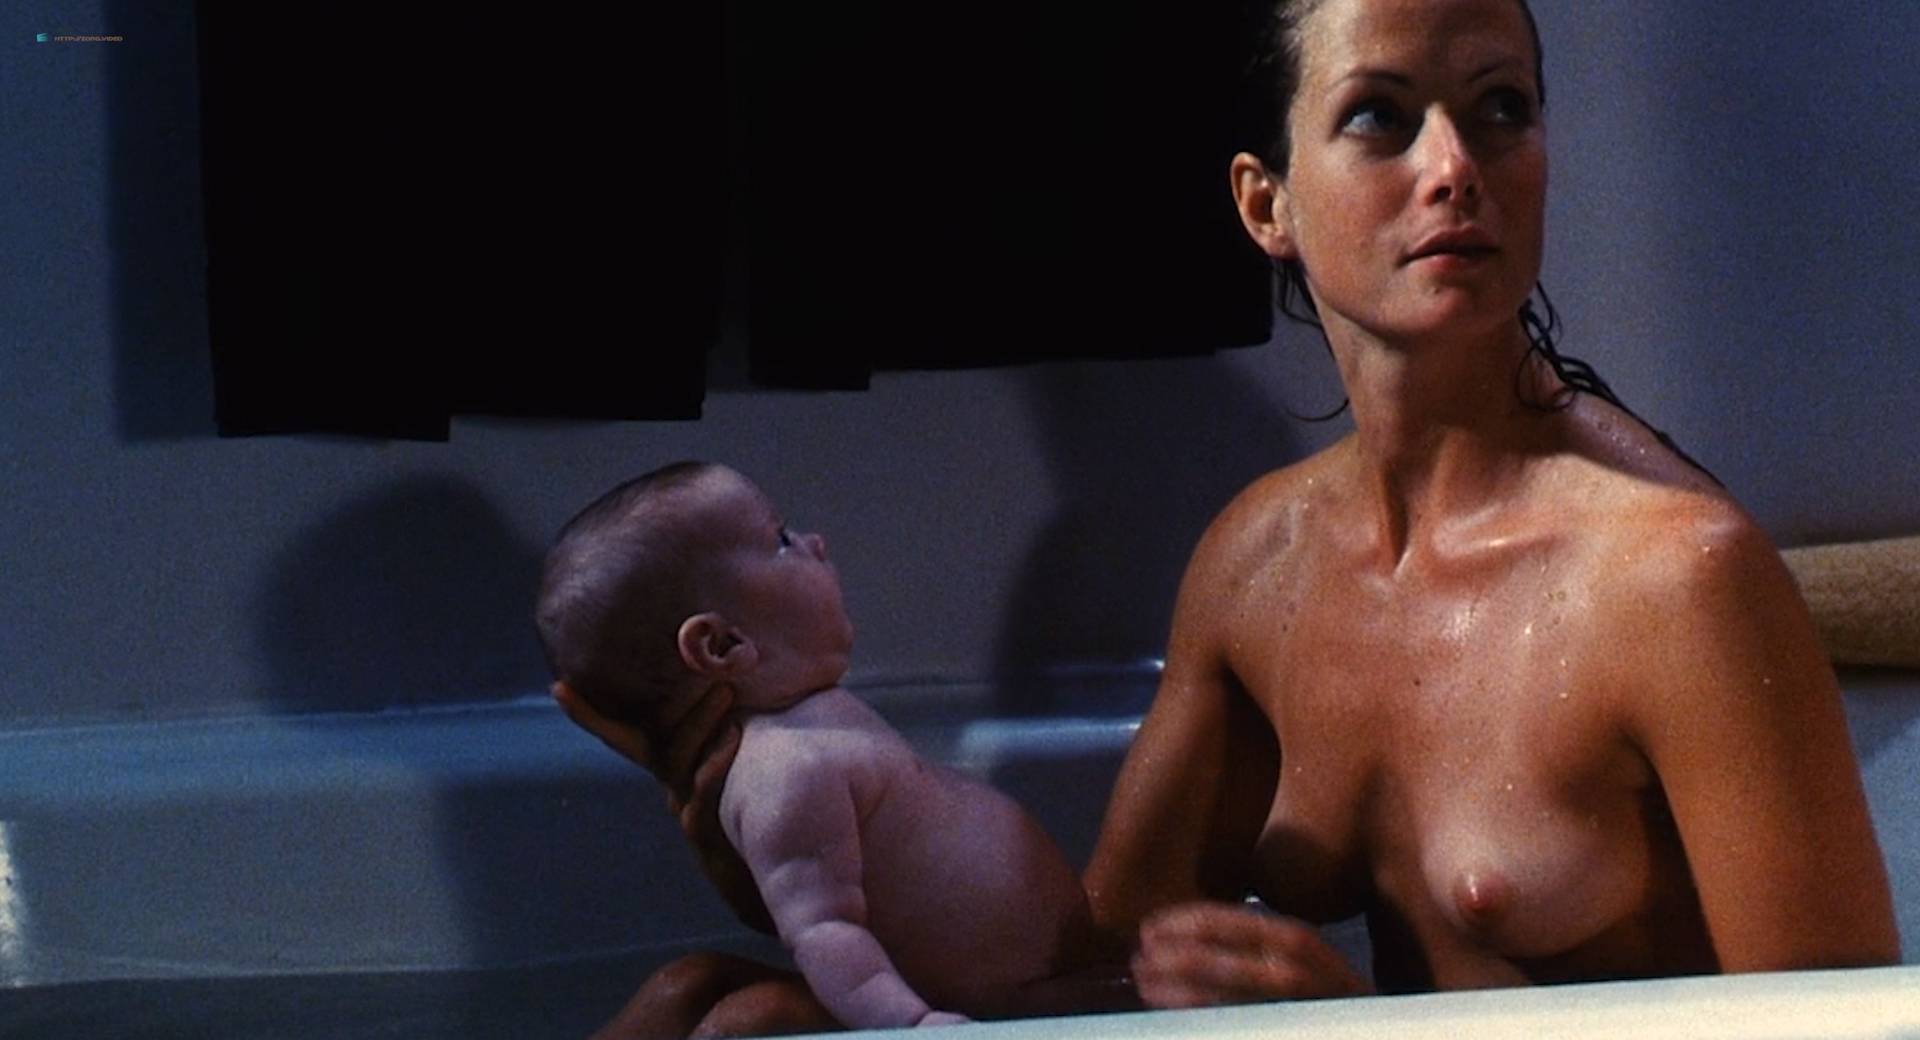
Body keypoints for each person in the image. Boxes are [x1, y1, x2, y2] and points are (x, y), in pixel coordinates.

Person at [566, 0, 1901, 1030]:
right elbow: (1100, 972)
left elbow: (1842, 1031)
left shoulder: (1676, 582)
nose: (1456, 166)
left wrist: (1348, 1029)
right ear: (1268, 203)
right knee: (708, 1008)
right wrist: (787, 861)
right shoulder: (1260, 565)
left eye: (1502, 110)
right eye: (1382, 117)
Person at [536, 463, 1126, 1034]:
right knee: (728, 1009)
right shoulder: (785, 772)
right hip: (993, 1004)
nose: (815, 542)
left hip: (1032, 983)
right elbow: (823, 932)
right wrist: (915, 1025)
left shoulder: (813, 719)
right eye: (781, 541)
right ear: (722, 644)